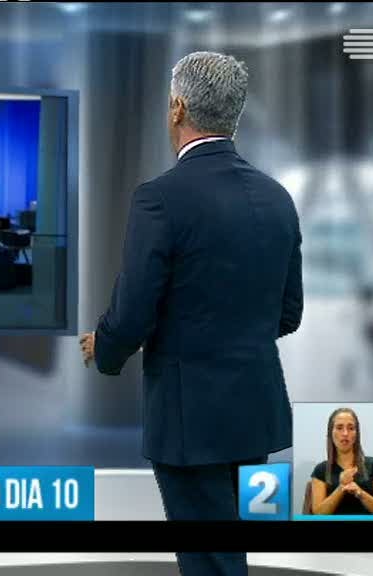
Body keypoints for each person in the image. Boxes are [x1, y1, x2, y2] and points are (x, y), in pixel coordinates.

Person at [79, 52, 303, 576]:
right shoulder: (277, 197)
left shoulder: (160, 198)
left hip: (190, 420)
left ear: (177, 107)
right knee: (225, 556)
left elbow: (133, 312)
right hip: (255, 410)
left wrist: (104, 348)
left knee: (209, 564)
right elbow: (288, 313)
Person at [309, 407, 373, 515]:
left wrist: (360, 493)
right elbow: (318, 514)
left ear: (356, 434)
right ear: (331, 433)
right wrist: (341, 487)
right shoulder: (321, 470)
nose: (345, 433)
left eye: (351, 428)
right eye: (339, 428)